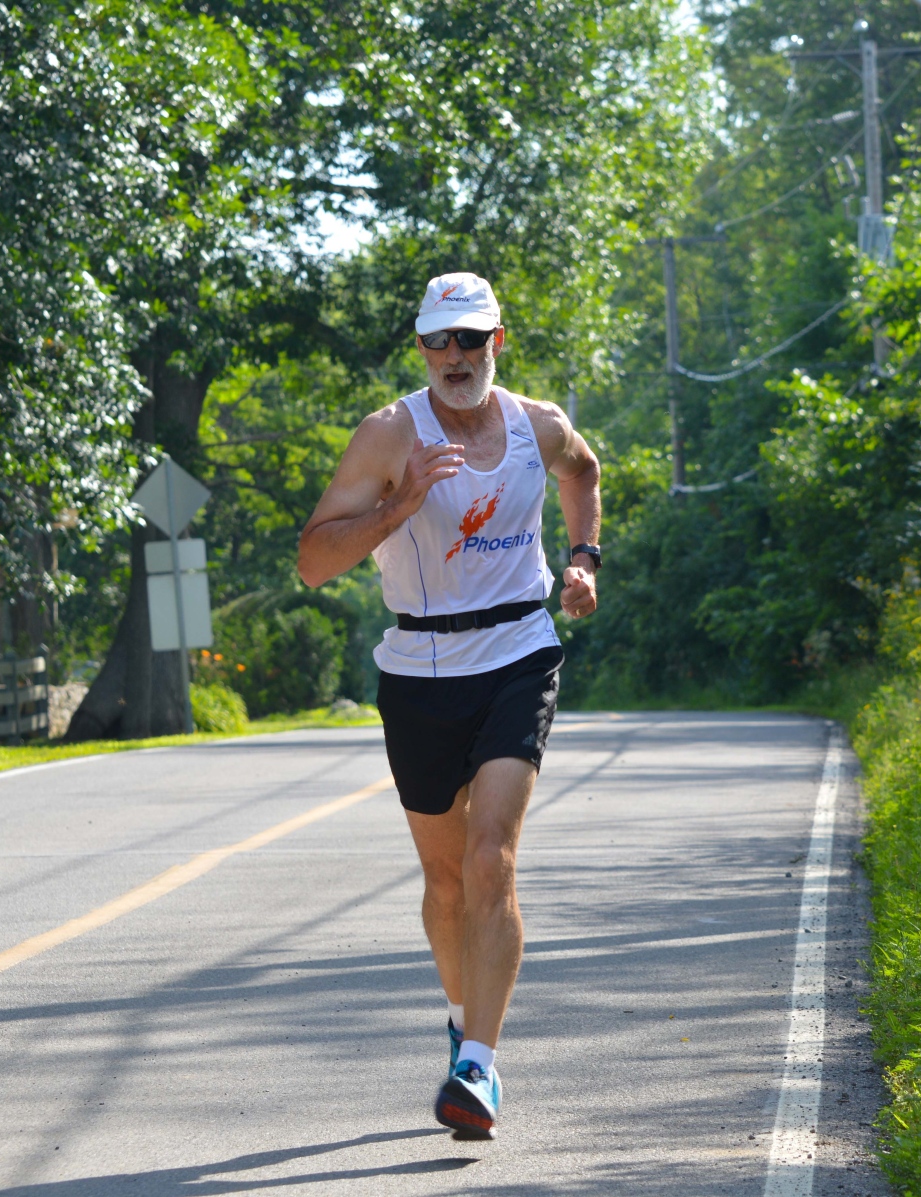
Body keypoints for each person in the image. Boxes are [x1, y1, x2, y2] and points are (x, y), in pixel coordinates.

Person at [296, 272, 601, 1139]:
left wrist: (584, 561)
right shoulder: (388, 435)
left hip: (518, 649)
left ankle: (478, 1064)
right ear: (420, 346)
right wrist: (403, 502)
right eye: (441, 341)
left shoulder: (537, 423)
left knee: (488, 860)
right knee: (441, 883)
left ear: (498, 339)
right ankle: (465, 1014)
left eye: (472, 339)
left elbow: (583, 468)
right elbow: (314, 562)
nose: (456, 357)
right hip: (421, 667)